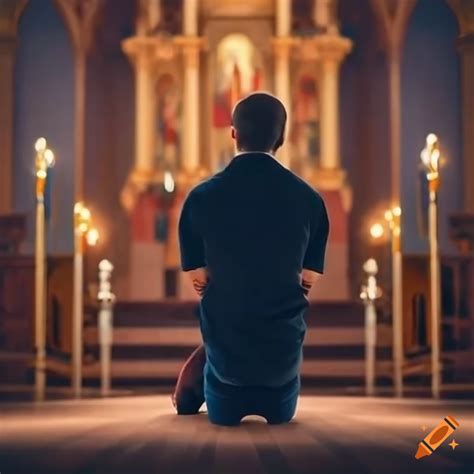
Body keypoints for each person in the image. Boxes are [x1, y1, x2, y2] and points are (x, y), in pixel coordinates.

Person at [173, 92, 329, 426]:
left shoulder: (200, 198)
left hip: (227, 370)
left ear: (233, 133)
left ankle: (191, 385)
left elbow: (202, 285)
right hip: (281, 374)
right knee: (279, 403)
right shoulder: (311, 201)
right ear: (284, 137)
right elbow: (305, 284)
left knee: (217, 377)